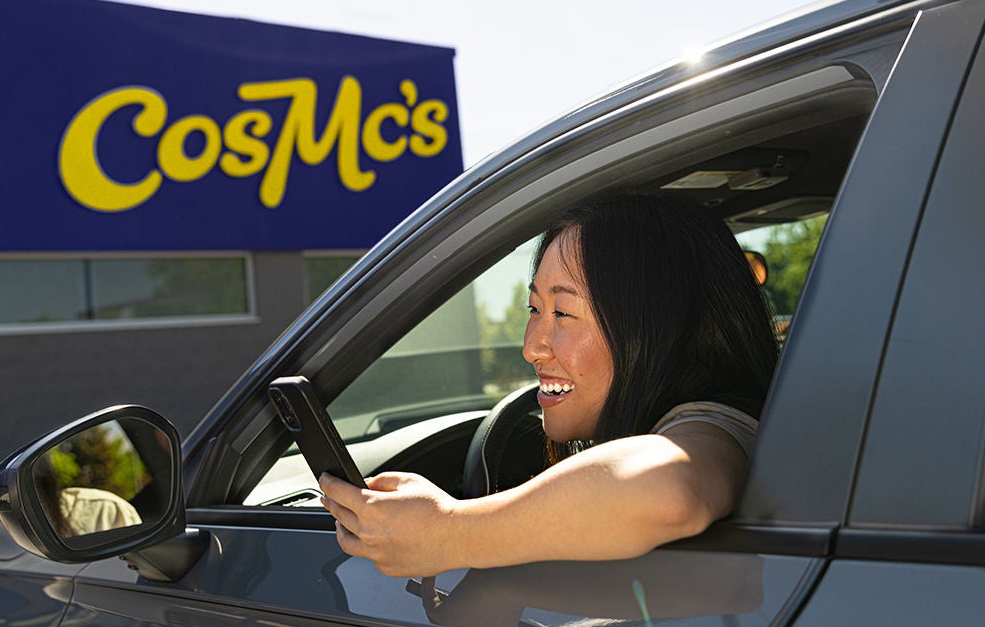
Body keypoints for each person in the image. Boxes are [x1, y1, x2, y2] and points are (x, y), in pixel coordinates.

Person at [319, 192, 778, 578]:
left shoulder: (716, 423)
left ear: (655, 328)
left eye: (563, 313)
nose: (532, 346)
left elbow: (669, 491)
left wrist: (450, 532)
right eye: (534, 310)